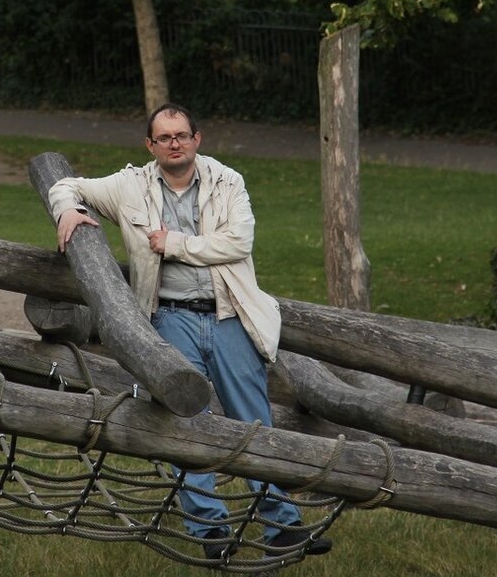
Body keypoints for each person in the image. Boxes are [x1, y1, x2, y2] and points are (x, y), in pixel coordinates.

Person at [47, 102, 331, 561]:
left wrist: (175, 244)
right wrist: (66, 211)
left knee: (252, 418)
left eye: (181, 135)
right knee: (185, 421)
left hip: (227, 315)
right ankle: (211, 531)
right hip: (170, 317)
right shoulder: (130, 186)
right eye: (164, 137)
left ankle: (282, 526)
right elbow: (65, 184)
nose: (174, 143)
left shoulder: (227, 181)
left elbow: (240, 241)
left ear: (197, 139)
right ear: (151, 145)